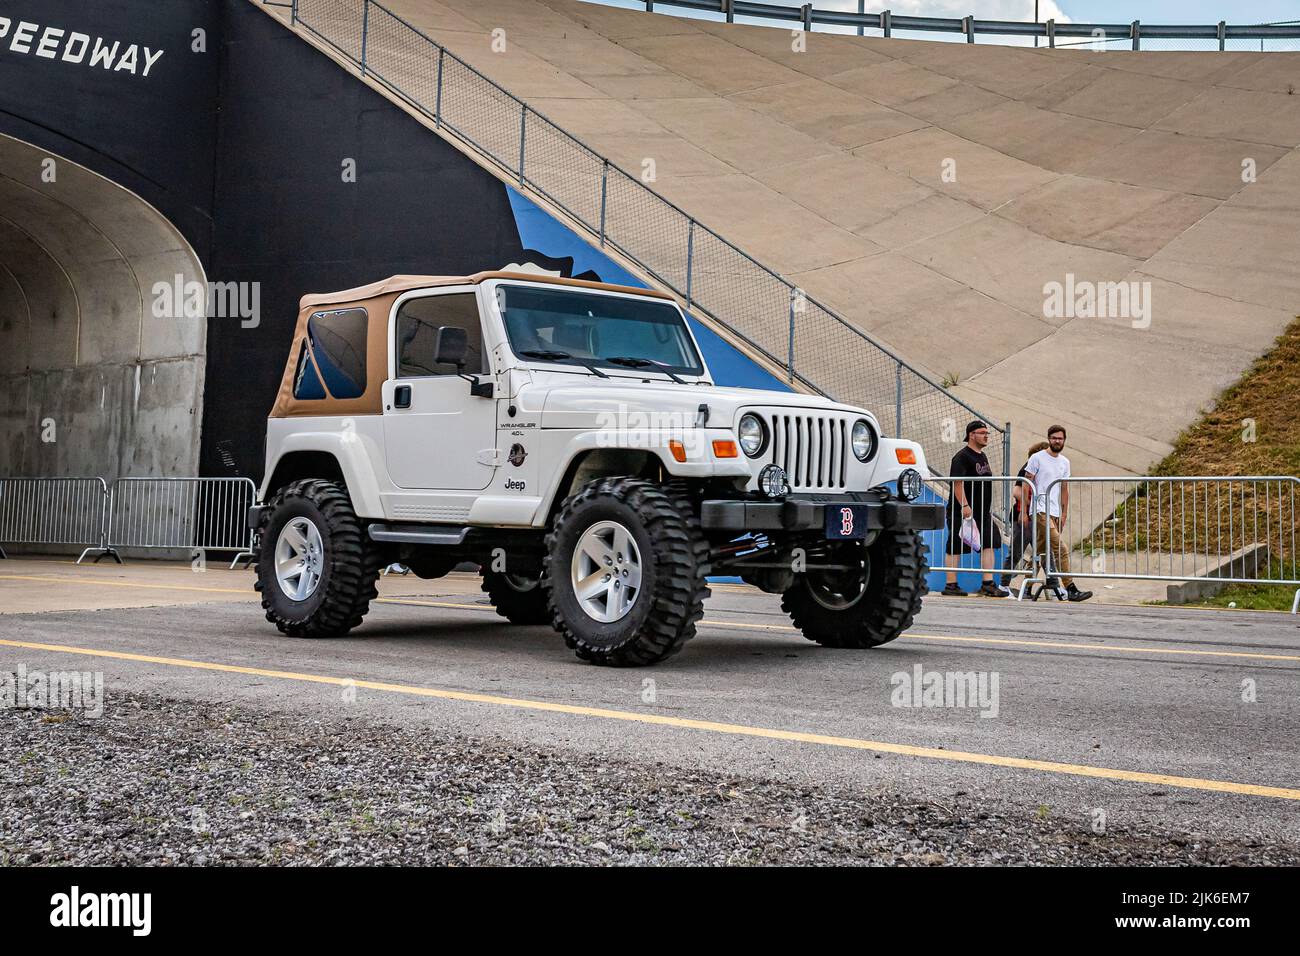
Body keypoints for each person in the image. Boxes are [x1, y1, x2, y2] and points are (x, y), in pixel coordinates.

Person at [1023, 425, 1093, 602]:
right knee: (1060, 548)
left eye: (1060, 438)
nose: (1057, 441)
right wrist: (1025, 509)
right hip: (1039, 510)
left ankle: (1026, 587)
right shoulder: (1037, 458)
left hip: (1054, 511)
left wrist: (1064, 513)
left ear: (1064, 440)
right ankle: (1070, 587)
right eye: (1054, 438)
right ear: (1048, 438)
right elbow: (1026, 484)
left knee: (1040, 550)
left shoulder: (1065, 462)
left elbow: (1064, 488)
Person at [941, 421, 1007, 597]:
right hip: (962, 512)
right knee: (955, 545)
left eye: (987, 433)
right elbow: (957, 483)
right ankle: (951, 585)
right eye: (982, 432)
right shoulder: (962, 457)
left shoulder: (982, 456)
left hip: (983, 512)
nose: (986, 436)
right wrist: (964, 505)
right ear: (971, 434)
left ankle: (988, 583)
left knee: (989, 542)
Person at [1000, 441, 1049, 592]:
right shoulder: (1028, 468)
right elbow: (1016, 492)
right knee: (1016, 552)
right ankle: (1004, 585)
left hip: (1037, 516)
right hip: (1023, 517)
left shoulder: (1043, 469)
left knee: (1045, 552)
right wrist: (1033, 504)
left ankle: (1051, 583)